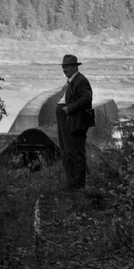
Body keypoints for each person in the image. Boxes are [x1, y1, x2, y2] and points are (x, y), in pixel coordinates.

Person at [56, 54, 94, 189]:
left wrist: (69, 109)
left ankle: (78, 184)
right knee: (66, 152)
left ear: (74, 67)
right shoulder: (72, 81)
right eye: (63, 67)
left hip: (75, 121)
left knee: (75, 152)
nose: (64, 70)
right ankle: (71, 182)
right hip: (67, 121)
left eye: (66, 67)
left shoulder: (80, 80)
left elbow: (86, 99)